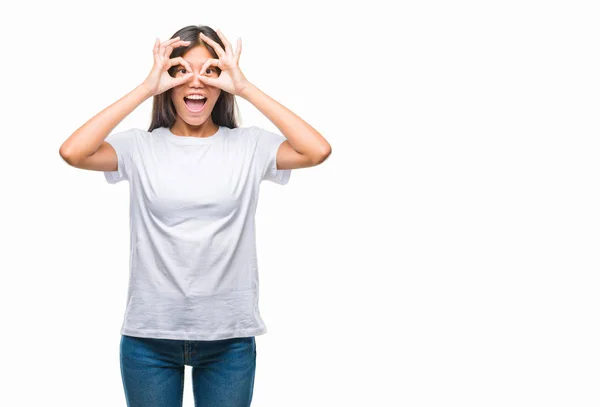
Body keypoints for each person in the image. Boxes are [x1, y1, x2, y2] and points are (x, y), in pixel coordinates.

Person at [59, 24, 331, 407]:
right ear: (168, 79)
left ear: (223, 80)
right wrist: (145, 88)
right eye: (182, 70)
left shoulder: (249, 146)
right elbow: (73, 152)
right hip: (149, 339)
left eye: (210, 70)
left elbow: (316, 150)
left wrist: (246, 86)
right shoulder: (140, 148)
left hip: (229, 340)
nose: (196, 82)